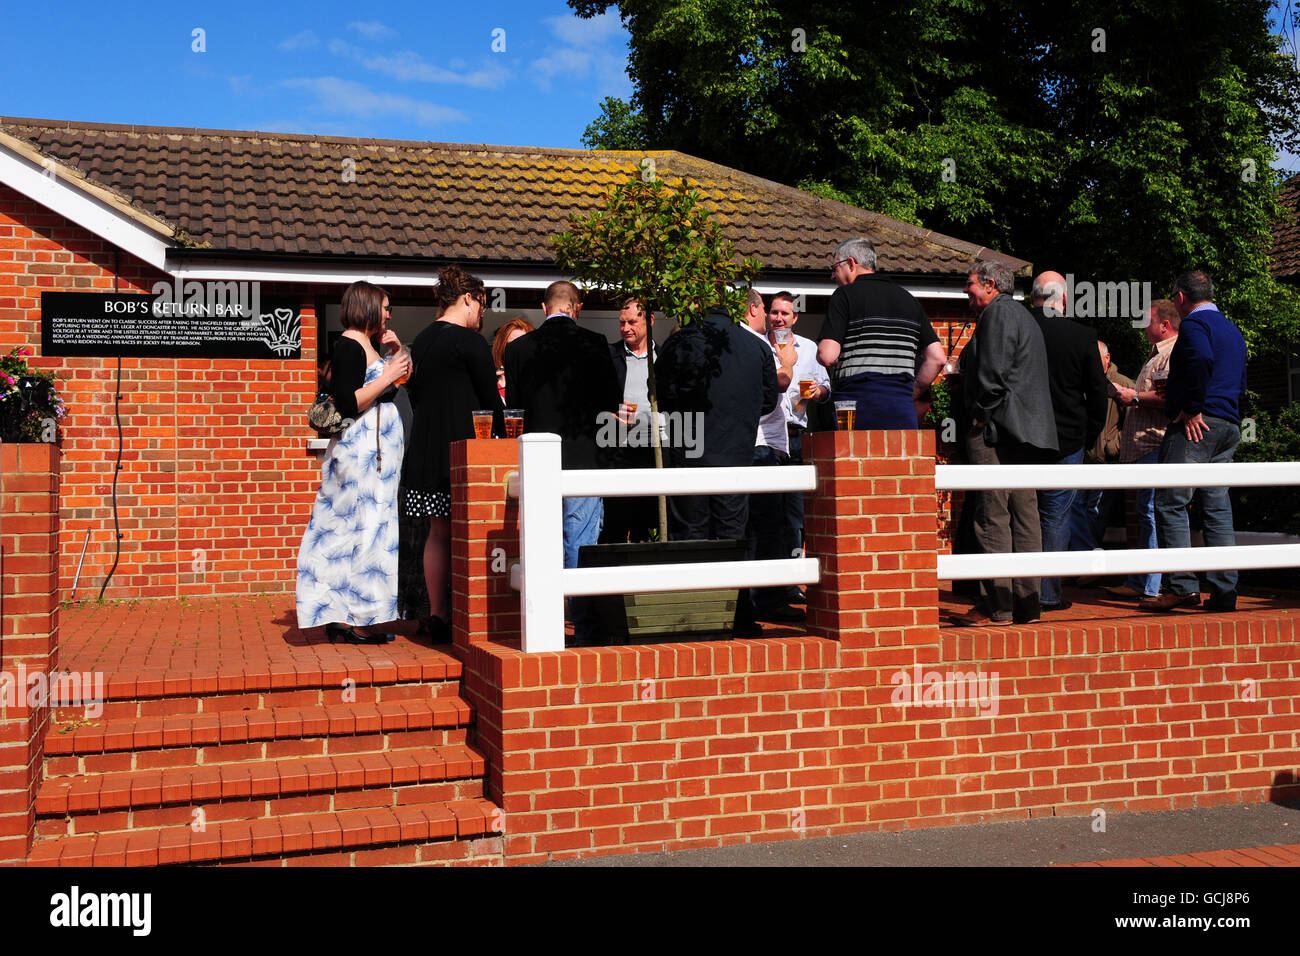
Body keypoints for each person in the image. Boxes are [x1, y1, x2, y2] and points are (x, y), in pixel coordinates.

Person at [504, 280, 622, 644]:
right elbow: (610, 399)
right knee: (579, 541)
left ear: (544, 308)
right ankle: (583, 626)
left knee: (541, 542)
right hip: (584, 459)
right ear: (577, 307)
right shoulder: (596, 344)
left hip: (538, 460)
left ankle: (546, 623)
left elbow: (516, 407)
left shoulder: (519, 349)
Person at [654, 299, 779, 635]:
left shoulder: (680, 342)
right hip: (736, 455)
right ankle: (737, 615)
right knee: (732, 535)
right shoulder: (756, 347)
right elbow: (769, 401)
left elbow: (662, 396)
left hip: (690, 454)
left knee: (691, 535)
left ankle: (694, 615)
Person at [296, 281, 411, 644]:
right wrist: (389, 373)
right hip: (360, 458)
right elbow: (347, 404)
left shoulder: (368, 345)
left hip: (374, 460)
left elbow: (396, 389)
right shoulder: (349, 346)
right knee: (356, 530)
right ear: (368, 306)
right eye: (386, 306)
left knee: (368, 531)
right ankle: (348, 615)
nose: (390, 314)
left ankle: (358, 612)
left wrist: (394, 355)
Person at [397, 265, 503, 642]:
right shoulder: (470, 343)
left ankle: (437, 613)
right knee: (470, 533)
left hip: (425, 453)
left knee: (438, 533)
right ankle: (471, 614)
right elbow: (492, 402)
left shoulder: (421, 341)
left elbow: (415, 396)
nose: (483, 314)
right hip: (464, 456)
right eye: (483, 305)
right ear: (468, 299)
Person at [955, 260, 1058, 626]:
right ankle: (1027, 606)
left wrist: (981, 414)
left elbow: (991, 375)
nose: (966, 290)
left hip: (996, 431)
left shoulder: (997, 316)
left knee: (992, 515)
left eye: (969, 284)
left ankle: (995, 606)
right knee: (1025, 514)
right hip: (1023, 432)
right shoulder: (1023, 316)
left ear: (990, 284)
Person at [1143, 272, 1248, 613]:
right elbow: (1241, 377)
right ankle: (1224, 590)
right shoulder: (1232, 329)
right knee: (1217, 508)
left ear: (1180, 298)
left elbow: (1201, 360)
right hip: (1228, 424)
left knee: (1171, 502)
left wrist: (1191, 408)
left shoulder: (1193, 325)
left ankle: (1181, 587)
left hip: (1197, 425)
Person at [1029, 271, 1109, 612]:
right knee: (1056, 516)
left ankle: (1017, 591)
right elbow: (1098, 393)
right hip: (1068, 438)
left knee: (1022, 513)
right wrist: (1088, 436)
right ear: (1063, 299)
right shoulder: (1082, 337)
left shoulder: (1020, 330)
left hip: (1023, 438)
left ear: (1034, 298)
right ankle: (1048, 592)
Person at [817, 236, 946, 429]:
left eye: (835, 268)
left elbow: (827, 356)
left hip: (856, 408)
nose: (833, 276)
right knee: (898, 459)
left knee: (855, 458)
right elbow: (937, 358)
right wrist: (911, 392)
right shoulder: (909, 299)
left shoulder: (844, 295)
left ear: (851, 263)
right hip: (901, 407)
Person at [1103, 301, 1180, 601]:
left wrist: (1132, 397)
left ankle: (1150, 584)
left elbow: (1168, 397)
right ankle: (1140, 580)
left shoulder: (1172, 354)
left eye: (1147, 320)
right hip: (1146, 445)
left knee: (1149, 512)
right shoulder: (1156, 353)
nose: (1142, 324)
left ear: (1164, 325)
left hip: (1155, 443)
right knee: (1143, 511)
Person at [741, 290, 801, 624]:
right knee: (767, 526)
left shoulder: (754, 343)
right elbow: (777, 384)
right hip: (762, 446)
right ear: (755, 310)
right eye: (767, 309)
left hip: (776, 444)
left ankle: (768, 597)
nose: (771, 317)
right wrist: (788, 364)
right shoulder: (757, 344)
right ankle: (763, 601)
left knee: (778, 523)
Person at [768, 291, 830, 603]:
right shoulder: (759, 344)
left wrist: (818, 392)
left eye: (785, 313)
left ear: (795, 318)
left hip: (794, 436)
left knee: (794, 513)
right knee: (766, 512)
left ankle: (791, 581)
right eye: (774, 312)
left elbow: (826, 386)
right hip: (763, 438)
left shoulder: (809, 349)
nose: (778, 318)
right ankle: (763, 582)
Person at [1069, 339, 1135, 567]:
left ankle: (1090, 565)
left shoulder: (1123, 383)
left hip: (1107, 460)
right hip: (1083, 457)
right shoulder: (1082, 381)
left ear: (1108, 358)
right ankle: (1088, 561)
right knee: (1075, 507)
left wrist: (1114, 444)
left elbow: (1133, 421)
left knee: (1095, 511)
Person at [600, 298, 659, 544]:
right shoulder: (608, 355)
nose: (626, 328)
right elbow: (594, 397)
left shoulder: (663, 357)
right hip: (618, 448)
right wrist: (608, 414)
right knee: (616, 518)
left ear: (650, 321)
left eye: (632, 322)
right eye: (622, 323)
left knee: (647, 521)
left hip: (654, 449)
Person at [491, 318, 534, 402]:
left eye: (523, 345)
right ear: (501, 347)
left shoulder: (539, 383)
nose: (518, 350)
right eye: (512, 345)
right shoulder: (491, 384)